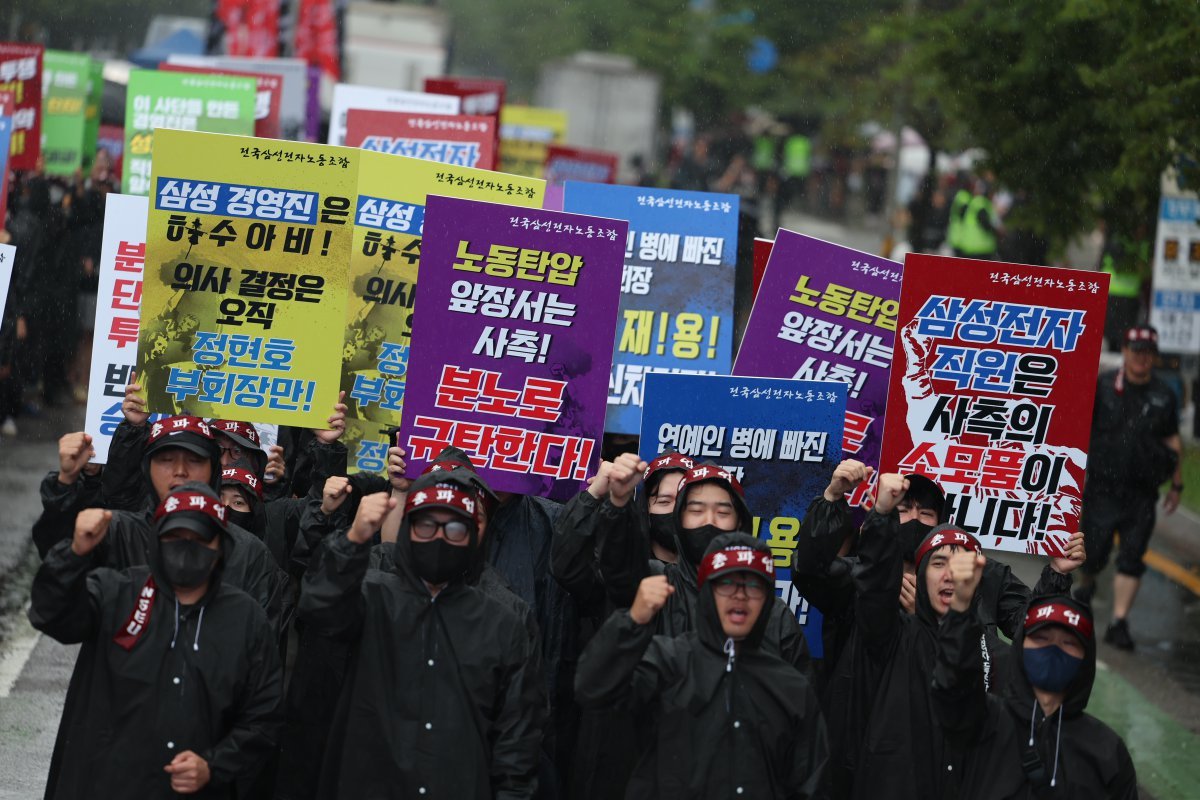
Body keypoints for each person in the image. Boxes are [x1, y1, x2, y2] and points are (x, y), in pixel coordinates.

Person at [29, 482, 282, 798]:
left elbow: (262, 716)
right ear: (156, 542)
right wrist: (74, 552)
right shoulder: (115, 592)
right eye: (174, 537)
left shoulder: (247, 619)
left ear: (222, 548)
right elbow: (50, 614)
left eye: (201, 539)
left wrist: (214, 765)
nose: (186, 547)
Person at [298, 478, 546, 798]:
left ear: (474, 536)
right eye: (426, 526)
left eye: (454, 528)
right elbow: (317, 607)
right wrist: (354, 538)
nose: (440, 538)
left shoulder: (503, 623)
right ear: (407, 531)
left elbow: (517, 739)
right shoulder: (371, 594)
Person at [575, 534, 829, 799]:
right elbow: (592, 689)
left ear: (767, 599)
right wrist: (633, 621)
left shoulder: (790, 687)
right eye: (727, 583)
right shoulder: (667, 661)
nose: (740, 596)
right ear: (707, 592)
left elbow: (811, 783)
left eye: (753, 586)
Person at [935, 553, 1138, 798]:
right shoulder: (982, 722)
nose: (1053, 648)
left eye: (1068, 643)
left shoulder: (1107, 751)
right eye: (1041, 638)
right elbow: (951, 685)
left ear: (1086, 658)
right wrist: (958, 611)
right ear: (1020, 646)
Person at [597, 461, 811, 675]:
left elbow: (798, 698)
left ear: (739, 523)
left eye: (723, 512)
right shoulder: (653, 582)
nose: (709, 521)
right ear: (679, 521)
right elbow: (615, 569)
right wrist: (618, 503)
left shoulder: (774, 614)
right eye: (696, 510)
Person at [1077, 324, 1182, 649]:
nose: (1142, 359)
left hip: (1142, 491)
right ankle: (1087, 585)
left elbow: (1172, 439)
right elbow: (1080, 428)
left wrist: (1176, 485)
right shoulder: (1105, 386)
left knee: (1133, 555)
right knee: (1093, 553)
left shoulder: (1163, 395)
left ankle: (1119, 621)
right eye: (1136, 352)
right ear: (1124, 352)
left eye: (1148, 353)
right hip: (1102, 487)